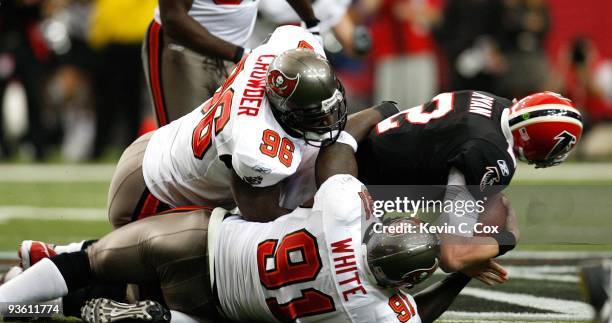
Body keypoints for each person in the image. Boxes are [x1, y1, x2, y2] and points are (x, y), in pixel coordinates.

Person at [0, 140, 514, 323]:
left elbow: (338, 157)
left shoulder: (343, 214)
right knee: (110, 296)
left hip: (202, 240)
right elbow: (417, 316)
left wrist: (344, 128)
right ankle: (153, 318)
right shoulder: (370, 311)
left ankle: (19, 293)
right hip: (216, 308)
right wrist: (461, 274)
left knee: (87, 264)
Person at [18, 25, 349, 267]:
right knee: (182, 277)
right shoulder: (256, 145)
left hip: (160, 148)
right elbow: (261, 225)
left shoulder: (292, 46)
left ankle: (57, 254)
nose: (326, 121)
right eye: (311, 116)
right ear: (282, 109)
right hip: (152, 192)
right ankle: (58, 275)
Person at [326, 90, 583, 273]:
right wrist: (507, 238)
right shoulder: (489, 155)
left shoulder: (495, 103)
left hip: (346, 155)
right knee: (495, 210)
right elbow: (451, 257)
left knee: (491, 202)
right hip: (350, 194)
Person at [144, 0, 322, 126]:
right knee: (178, 139)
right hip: (184, 49)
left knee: (231, 133)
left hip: (237, 53)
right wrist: (238, 54)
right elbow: (173, 19)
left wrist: (311, 23)